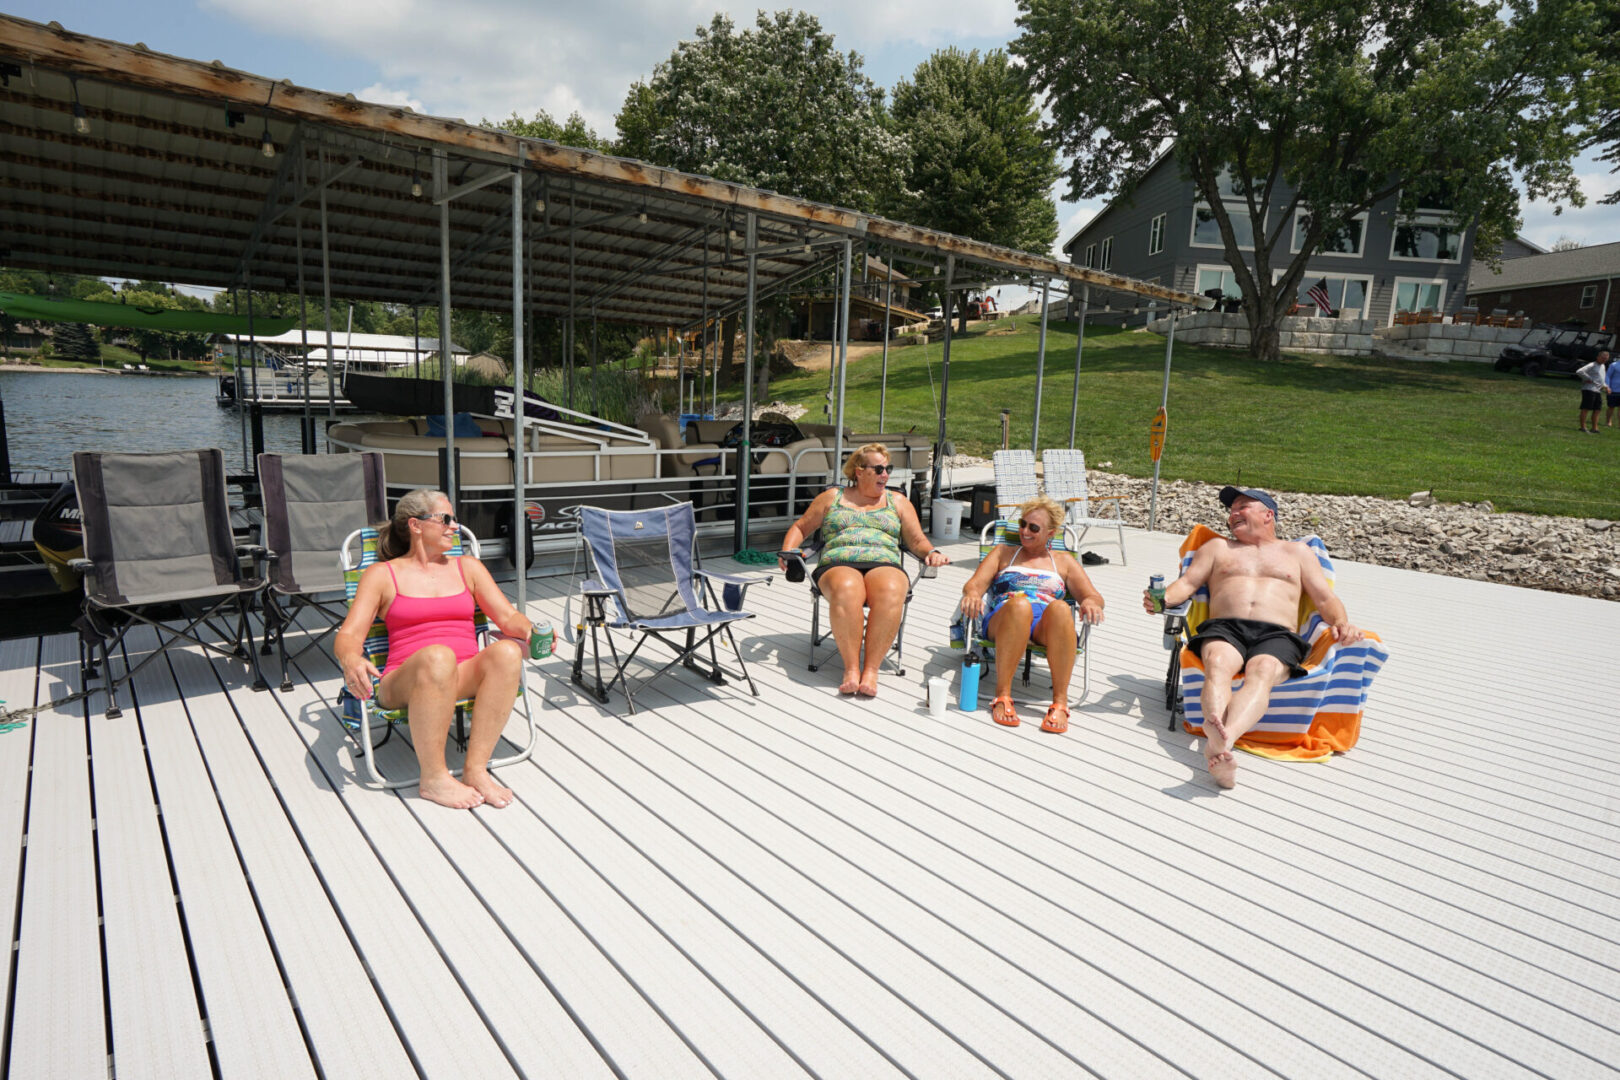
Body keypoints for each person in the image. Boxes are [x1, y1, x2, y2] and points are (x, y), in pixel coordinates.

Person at [1143, 486, 1363, 789]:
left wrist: (1342, 622)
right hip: (1225, 628)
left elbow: (1324, 598)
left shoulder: (1298, 553)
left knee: (1263, 671)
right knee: (1218, 663)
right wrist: (1162, 599)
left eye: (1242, 506)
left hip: (1278, 634)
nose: (1233, 514)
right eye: (1231, 510)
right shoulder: (1217, 548)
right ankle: (1221, 743)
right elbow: (1187, 584)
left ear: (1267, 514)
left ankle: (1221, 742)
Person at [335, 489, 534, 810]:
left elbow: (508, 617)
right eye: (446, 519)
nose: (454, 526)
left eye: (454, 520)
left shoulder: (468, 568)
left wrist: (532, 630)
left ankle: (475, 769)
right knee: (439, 656)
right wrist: (351, 659)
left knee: (508, 651)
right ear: (415, 525)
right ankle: (434, 777)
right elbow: (350, 633)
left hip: (460, 674)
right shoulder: (382, 575)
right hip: (403, 680)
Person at [780, 443, 949, 697]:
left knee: (892, 590)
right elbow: (801, 527)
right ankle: (850, 669)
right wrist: (789, 550)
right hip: (839, 561)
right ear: (858, 471)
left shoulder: (898, 501)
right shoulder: (832, 497)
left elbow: (916, 541)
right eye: (879, 469)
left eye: (888, 468)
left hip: (884, 561)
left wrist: (932, 553)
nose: (885, 474)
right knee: (848, 589)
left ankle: (871, 670)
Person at [960, 495, 1104, 733]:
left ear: (1051, 533)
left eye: (1034, 527)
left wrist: (1091, 603)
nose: (1025, 531)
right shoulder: (1004, 552)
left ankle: (1060, 703)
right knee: (1020, 605)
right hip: (1005, 616)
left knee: (1059, 608)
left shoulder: (1064, 561)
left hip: (1042, 624)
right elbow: (974, 585)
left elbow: (1094, 596)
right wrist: (973, 595)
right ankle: (1002, 696)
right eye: (1022, 524)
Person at [1577, 351, 1608, 434]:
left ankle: (1595, 428)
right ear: (1598, 357)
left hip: (1597, 391)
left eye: (1606, 359)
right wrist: (1588, 379)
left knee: (1597, 409)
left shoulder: (1603, 366)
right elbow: (1579, 371)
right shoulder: (1592, 365)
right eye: (1603, 358)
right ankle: (1583, 427)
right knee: (1586, 408)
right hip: (1589, 389)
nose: (1604, 360)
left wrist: (1606, 386)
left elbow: (1600, 379)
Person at [1604, 351, 1619, 428]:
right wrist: (1607, 386)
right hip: (1613, 389)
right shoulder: (1614, 365)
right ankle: (1608, 421)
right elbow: (1608, 376)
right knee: (1611, 407)